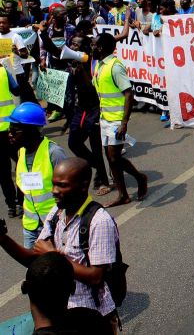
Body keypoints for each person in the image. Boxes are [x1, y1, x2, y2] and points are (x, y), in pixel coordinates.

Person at [0, 158, 122, 331]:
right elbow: (35, 261)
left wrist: (54, 256)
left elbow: (96, 276)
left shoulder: (99, 221)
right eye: (53, 184)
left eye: (62, 186)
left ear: (83, 185)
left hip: (93, 317)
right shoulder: (56, 213)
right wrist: (3, 238)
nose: (54, 191)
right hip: (62, 314)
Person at [38, 26, 111, 196]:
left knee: (95, 146)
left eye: (78, 45)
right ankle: (96, 165)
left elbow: (89, 84)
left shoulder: (88, 60)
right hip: (80, 108)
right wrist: (42, 33)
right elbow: (54, 50)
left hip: (93, 107)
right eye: (73, 44)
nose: (74, 47)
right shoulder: (73, 60)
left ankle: (102, 180)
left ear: (85, 48)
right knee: (73, 143)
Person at [91, 33, 148, 207]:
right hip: (105, 119)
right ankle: (123, 195)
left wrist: (124, 123)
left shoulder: (115, 66)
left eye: (94, 44)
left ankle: (139, 178)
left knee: (114, 157)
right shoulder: (100, 66)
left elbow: (129, 94)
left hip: (116, 120)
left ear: (100, 48)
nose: (91, 47)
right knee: (111, 158)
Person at [7, 102, 68, 248]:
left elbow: (70, 189)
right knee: (33, 269)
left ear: (30, 131)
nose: (10, 134)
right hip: (31, 226)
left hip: (54, 225)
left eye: (14, 131)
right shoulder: (21, 152)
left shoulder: (54, 153)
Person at [0, 62, 19, 218]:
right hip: (11, 129)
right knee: (21, 164)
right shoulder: (3, 71)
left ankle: (11, 205)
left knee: (3, 173)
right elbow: (16, 90)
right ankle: (21, 200)